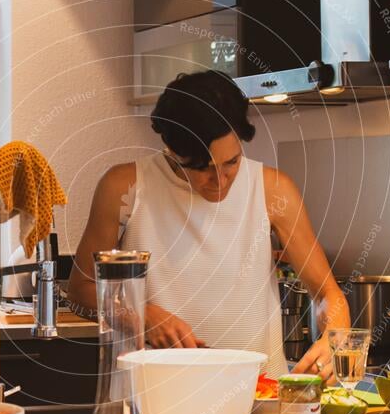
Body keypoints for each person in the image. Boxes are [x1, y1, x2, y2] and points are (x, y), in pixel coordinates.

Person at [67, 70, 349, 379]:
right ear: (172, 152)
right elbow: (81, 290)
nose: (221, 180)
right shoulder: (125, 186)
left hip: (257, 394)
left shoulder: (273, 190)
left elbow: (327, 295)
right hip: (160, 393)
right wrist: (142, 314)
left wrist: (334, 341)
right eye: (202, 169)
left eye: (232, 163)